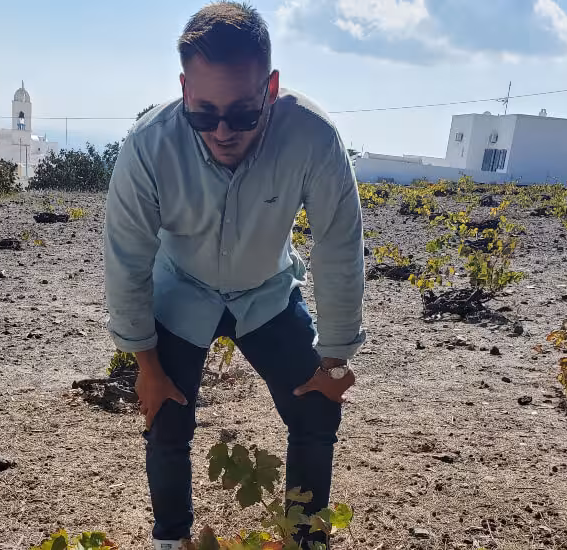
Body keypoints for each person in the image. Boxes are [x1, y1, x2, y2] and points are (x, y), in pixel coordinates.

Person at [104, 2, 365, 548]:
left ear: (270, 87)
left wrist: (336, 358)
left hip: (267, 291)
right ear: (183, 89)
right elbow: (127, 259)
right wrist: (145, 365)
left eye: (243, 114)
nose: (222, 131)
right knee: (166, 416)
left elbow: (339, 248)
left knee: (318, 407)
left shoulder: (314, 138)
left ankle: (305, 540)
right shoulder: (149, 145)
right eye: (203, 113)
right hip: (182, 287)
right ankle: (170, 540)